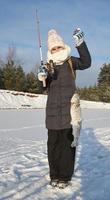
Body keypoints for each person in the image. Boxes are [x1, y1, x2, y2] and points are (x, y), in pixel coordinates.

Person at [38, 28, 91, 189]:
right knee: (53, 147)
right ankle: (54, 175)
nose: (56, 50)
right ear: (50, 51)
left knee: (67, 147)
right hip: (52, 115)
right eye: (53, 48)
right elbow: (42, 89)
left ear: (63, 47)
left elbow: (86, 63)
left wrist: (80, 43)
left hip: (69, 113)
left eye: (59, 47)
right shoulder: (47, 67)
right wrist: (41, 78)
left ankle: (64, 177)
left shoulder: (70, 62)